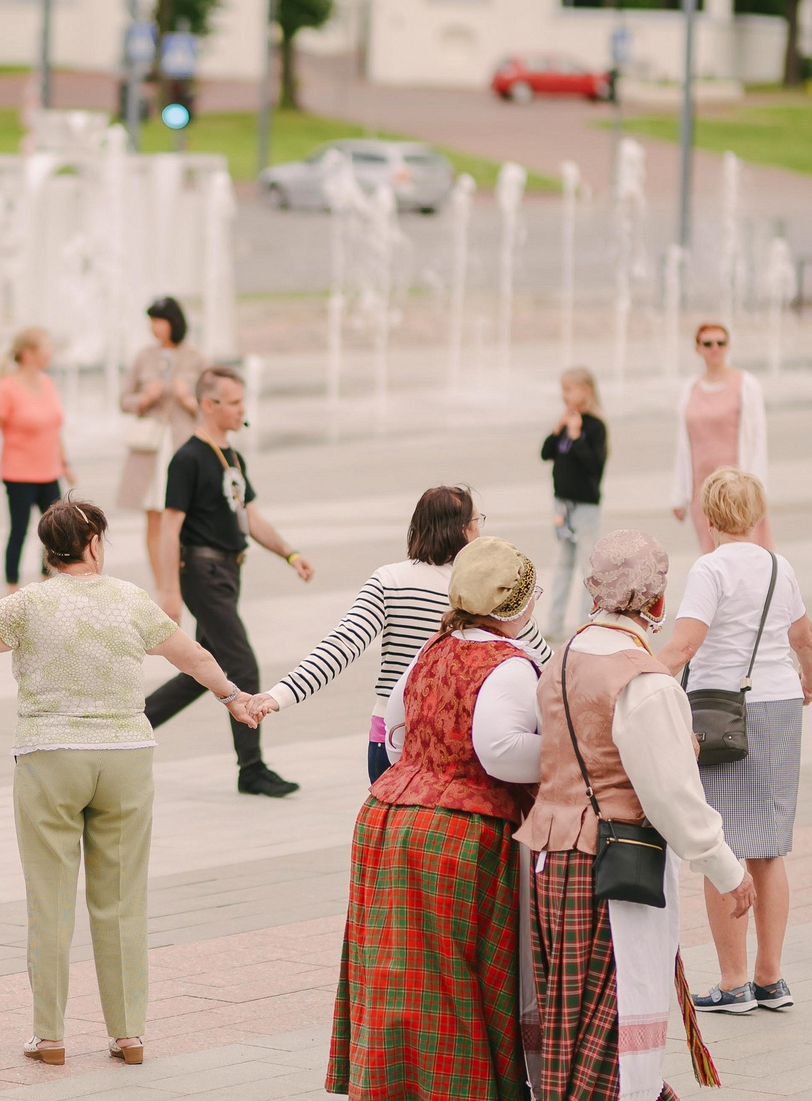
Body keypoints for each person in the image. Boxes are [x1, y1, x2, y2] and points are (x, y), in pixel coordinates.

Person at [0, 500, 250, 1066]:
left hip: (50, 758)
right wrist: (233, 697)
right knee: (123, 901)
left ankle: (50, 1037)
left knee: (51, 900)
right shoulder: (131, 599)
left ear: (48, 549)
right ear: (95, 543)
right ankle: (128, 1035)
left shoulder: (29, 604)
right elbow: (194, 656)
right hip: (126, 757)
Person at [520, 531, 751, 1101]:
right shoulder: (641, 679)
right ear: (652, 596)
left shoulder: (562, 654)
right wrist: (726, 868)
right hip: (616, 855)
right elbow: (672, 792)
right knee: (615, 999)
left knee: (578, 997)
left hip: (553, 848)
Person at [322, 539, 543, 1101]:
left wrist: (423, 772)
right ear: (516, 602)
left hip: (388, 821)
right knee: (456, 975)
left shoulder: (430, 650)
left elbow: (393, 735)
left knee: (406, 975)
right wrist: (559, 756)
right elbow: (499, 749)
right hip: (458, 830)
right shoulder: (510, 664)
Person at [663, 470, 812, 1014]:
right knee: (769, 849)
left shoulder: (709, 568)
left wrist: (637, 675)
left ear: (708, 515)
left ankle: (733, 983)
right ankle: (771, 979)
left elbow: (684, 644)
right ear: (755, 514)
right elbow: (804, 637)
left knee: (719, 844)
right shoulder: (780, 566)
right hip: (777, 706)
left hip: (719, 711)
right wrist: (811, 678)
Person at [250, 486, 518, 784]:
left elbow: (342, 644)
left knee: (393, 831)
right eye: (477, 521)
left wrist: (278, 696)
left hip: (390, 739)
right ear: (464, 530)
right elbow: (536, 657)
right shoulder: (488, 587)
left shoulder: (389, 580)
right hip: (459, 738)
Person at [142, 366, 315, 798]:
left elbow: (249, 517)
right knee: (242, 664)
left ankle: (130, 724)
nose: (242, 409)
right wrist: (169, 590)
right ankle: (251, 769)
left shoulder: (233, 457)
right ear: (209, 404)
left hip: (228, 570)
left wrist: (290, 554)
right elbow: (170, 527)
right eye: (234, 402)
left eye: (242, 401)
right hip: (202, 571)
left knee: (201, 671)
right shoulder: (187, 458)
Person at [115, 298, 207, 579]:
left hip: (182, 444)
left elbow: (213, 405)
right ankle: (161, 581)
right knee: (153, 515)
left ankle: (183, 577)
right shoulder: (144, 356)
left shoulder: (197, 357)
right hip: (151, 447)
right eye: (151, 321)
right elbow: (123, 400)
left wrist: (188, 400)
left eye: (159, 321)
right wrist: (144, 399)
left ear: (173, 323)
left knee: (183, 513)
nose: (154, 327)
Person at [0, 327, 73, 590]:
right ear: (28, 353)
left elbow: (54, 428)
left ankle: (47, 586)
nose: (51, 353)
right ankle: (12, 592)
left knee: (55, 534)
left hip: (49, 472)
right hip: (19, 475)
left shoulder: (47, 383)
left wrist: (65, 464)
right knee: (19, 532)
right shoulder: (6, 389)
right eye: (46, 347)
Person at [671, 321, 769, 553]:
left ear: (728, 346)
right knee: (712, 556)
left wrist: (757, 491)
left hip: (738, 491)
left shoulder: (746, 385)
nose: (715, 348)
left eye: (720, 343)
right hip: (703, 492)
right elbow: (683, 446)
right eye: (707, 343)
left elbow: (757, 439)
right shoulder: (690, 389)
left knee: (746, 555)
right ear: (698, 348)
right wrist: (679, 495)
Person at [541, 368, 609, 637]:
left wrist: (579, 436)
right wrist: (558, 431)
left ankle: (587, 623)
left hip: (585, 508)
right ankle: (554, 623)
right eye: (563, 389)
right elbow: (545, 453)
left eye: (569, 389)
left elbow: (595, 465)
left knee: (587, 566)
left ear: (586, 391)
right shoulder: (565, 422)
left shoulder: (595, 426)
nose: (564, 395)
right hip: (562, 505)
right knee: (562, 564)